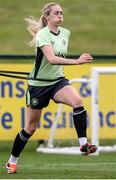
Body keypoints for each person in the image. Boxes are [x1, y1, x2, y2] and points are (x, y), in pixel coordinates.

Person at [6, 2, 97, 174]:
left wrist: (69, 66)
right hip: (38, 85)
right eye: (56, 13)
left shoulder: (66, 33)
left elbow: (57, 63)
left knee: (77, 101)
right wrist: (76, 61)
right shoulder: (43, 34)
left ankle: (83, 144)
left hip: (57, 81)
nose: (60, 15)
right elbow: (52, 59)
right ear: (47, 17)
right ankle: (12, 160)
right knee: (31, 128)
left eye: (61, 13)